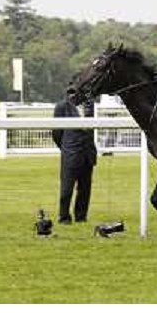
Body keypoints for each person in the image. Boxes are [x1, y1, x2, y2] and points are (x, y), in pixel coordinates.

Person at [52, 86, 97, 224]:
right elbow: (56, 133)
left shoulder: (90, 106)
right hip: (70, 153)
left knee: (85, 188)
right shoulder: (61, 107)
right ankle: (64, 217)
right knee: (66, 188)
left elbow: (92, 128)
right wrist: (66, 148)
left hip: (88, 152)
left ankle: (81, 216)